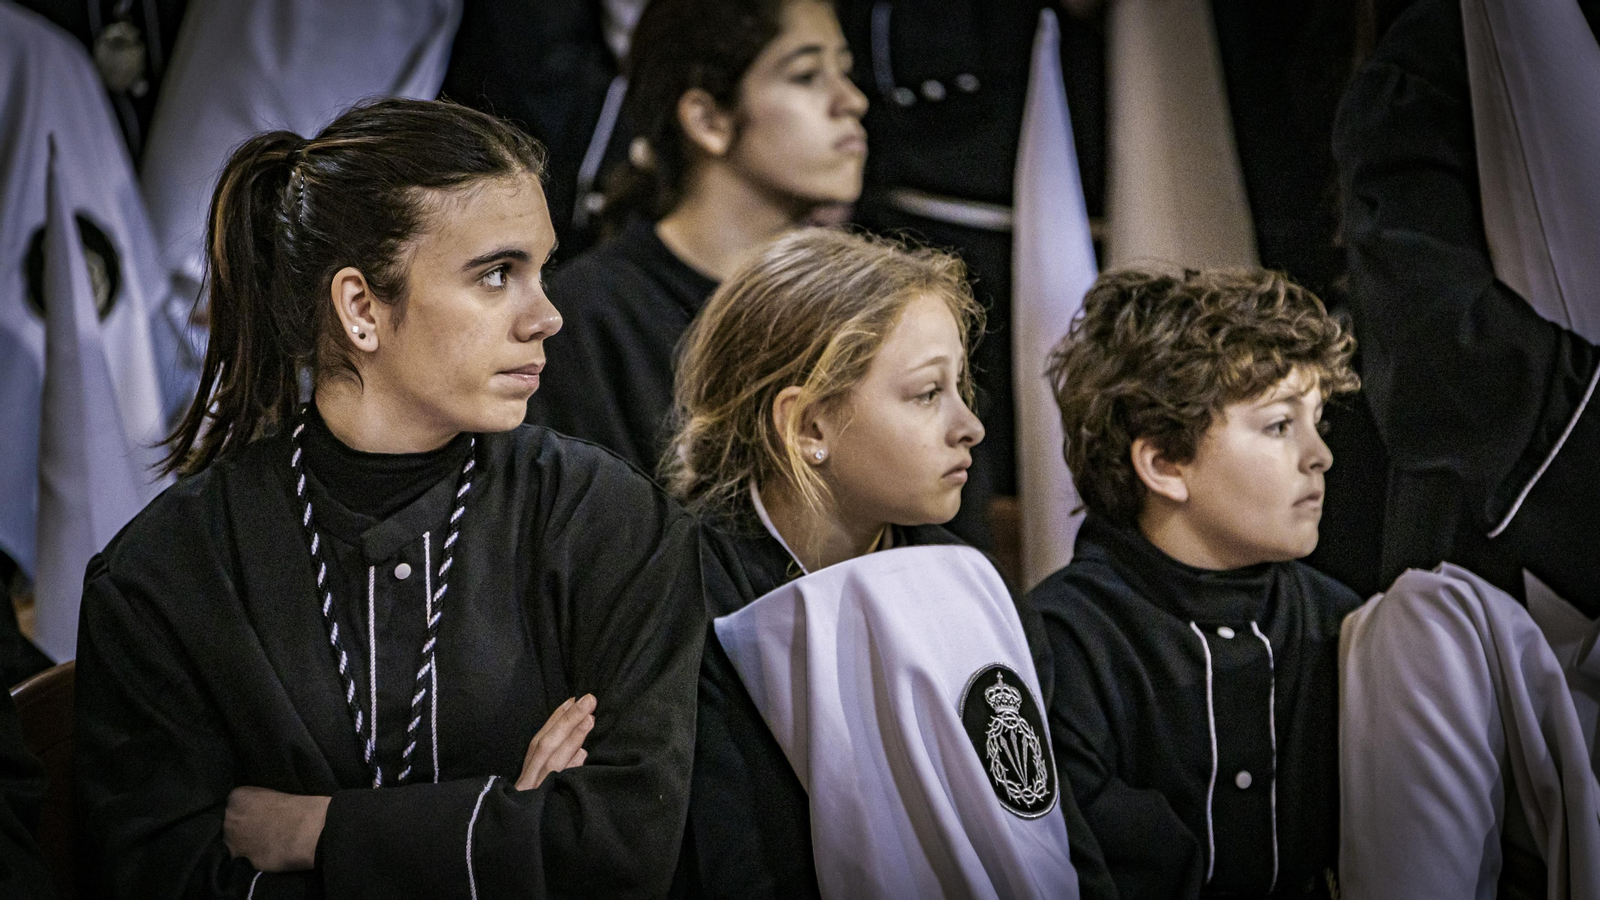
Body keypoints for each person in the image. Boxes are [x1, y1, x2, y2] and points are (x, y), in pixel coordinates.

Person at [72, 98, 707, 899]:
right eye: (497, 274)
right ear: (362, 309)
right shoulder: (167, 577)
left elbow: (626, 852)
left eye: (542, 271)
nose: (546, 317)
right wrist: (503, 824)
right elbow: (160, 883)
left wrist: (317, 832)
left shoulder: (610, 524)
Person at [665, 228, 1112, 898]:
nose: (970, 426)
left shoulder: (973, 587)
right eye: (928, 393)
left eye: (962, 387)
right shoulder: (676, 598)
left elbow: (1047, 832)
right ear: (809, 426)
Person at [1030, 268, 1363, 898]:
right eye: (1279, 425)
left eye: (1317, 419)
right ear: (1164, 463)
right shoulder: (1063, 644)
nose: (1320, 454)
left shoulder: (1342, 626)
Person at [525, 0, 869, 473]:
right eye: (806, 75)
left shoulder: (866, 303)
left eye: (844, 70)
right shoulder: (589, 320)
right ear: (707, 120)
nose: (852, 100)